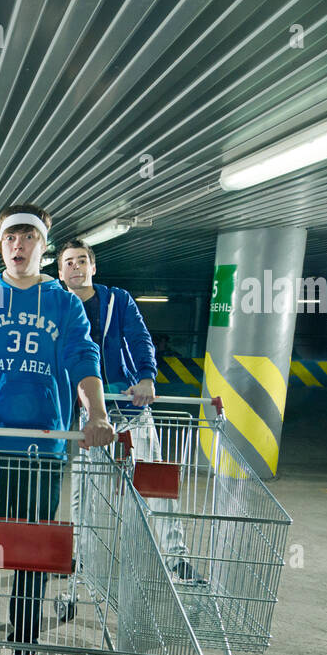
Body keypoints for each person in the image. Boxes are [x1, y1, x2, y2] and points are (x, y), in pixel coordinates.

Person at [0, 204, 114, 655]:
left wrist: (97, 413)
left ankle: (23, 650)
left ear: (44, 245)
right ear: (1, 245)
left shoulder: (63, 304)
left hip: (44, 450)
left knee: (31, 554)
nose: (18, 246)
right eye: (10, 239)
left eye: (28, 237)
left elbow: (83, 359)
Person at [58, 239, 197, 579]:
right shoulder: (57, 307)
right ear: (60, 273)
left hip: (130, 407)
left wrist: (147, 378)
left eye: (81, 260)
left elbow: (139, 338)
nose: (76, 267)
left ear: (94, 267)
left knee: (155, 482)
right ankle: (83, 557)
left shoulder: (117, 301)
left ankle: (176, 558)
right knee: (86, 490)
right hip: (87, 414)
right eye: (69, 263)